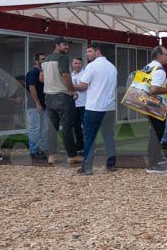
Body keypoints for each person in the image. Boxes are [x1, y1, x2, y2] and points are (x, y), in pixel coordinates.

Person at [73, 44, 118, 175]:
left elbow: (82, 87)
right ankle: (111, 165)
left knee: (90, 137)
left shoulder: (91, 66)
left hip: (94, 107)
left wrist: (68, 85)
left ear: (97, 52)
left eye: (89, 51)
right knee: (109, 136)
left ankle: (86, 167)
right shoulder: (112, 67)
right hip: (109, 107)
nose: (87, 54)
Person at [42, 37, 81, 164]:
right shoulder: (62, 58)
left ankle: (52, 155)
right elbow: (65, 75)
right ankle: (72, 155)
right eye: (64, 45)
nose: (67, 47)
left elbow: (41, 78)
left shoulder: (46, 59)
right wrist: (71, 90)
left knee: (52, 127)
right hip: (62, 96)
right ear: (57, 45)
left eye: (67, 45)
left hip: (48, 96)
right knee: (67, 127)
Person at [143, 45, 167, 174]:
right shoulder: (159, 70)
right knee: (156, 134)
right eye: (166, 54)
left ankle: (156, 159)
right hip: (155, 106)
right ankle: (152, 164)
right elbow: (154, 89)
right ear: (159, 56)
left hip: (146, 103)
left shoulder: (148, 67)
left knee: (153, 132)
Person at [24, 53, 48, 160]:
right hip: (34, 106)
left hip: (44, 105)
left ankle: (42, 149)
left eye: (45, 59)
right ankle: (33, 150)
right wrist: (37, 103)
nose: (44, 61)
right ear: (36, 60)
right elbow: (32, 88)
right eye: (42, 59)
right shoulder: (33, 72)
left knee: (44, 128)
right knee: (34, 128)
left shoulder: (43, 72)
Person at [69, 57, 85, 151]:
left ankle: (89, 146)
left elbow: (83, 87)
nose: (77, 65)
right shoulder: (71, 75)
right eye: (75, 63)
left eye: (79, 63)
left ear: (82, 64)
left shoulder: (85, 74)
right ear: (72, 64)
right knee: (76, 126)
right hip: (74, 105)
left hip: (84, 104)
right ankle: (80, 145)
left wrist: (70, 87)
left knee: (86, 127)